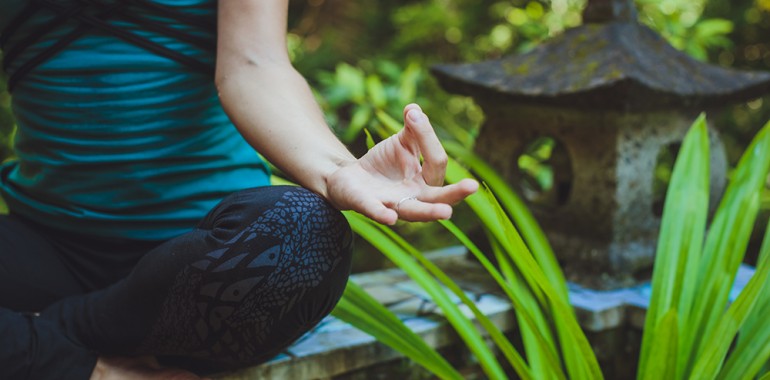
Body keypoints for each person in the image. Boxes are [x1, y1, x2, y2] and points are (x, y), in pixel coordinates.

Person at [0, 1, 479, 379]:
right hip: (42, 250)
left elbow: (255, 63)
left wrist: (337, 171)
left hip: (211, 266)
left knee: (306, 233)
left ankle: (45, 334)